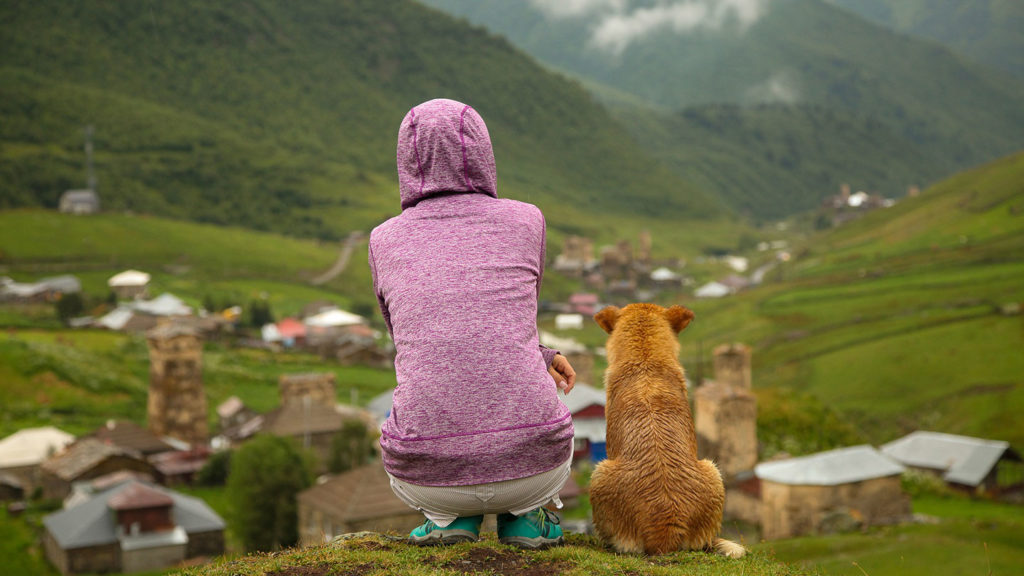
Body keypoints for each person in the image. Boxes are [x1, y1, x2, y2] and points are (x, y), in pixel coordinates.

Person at [368, 98, 577, 548]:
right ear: (483, 151)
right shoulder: (528, 219)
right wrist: (542, 355)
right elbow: (511, 318)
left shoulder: (383, 239)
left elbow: (417, 334)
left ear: (406, 159)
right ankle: (525, 516)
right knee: (547, 421)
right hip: (534, 465)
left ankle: (448, 520)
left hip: (426, 474)